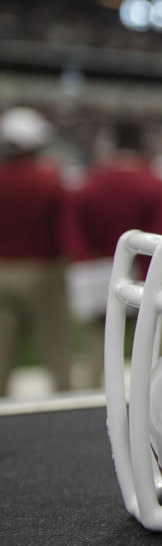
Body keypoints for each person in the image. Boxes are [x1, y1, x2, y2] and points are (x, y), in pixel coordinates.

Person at [64, 119, 162, 387]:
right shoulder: (156, 183)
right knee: (153, 343)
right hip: (146, 274)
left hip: (99, 271)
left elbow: (72, 229)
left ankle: (89, 398)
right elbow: (159, 237)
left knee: (99, 345)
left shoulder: (89, 181)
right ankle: (157, 395)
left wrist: (86, 262)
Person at [0, 106, 72, 397]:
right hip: (42, 271)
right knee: (55, 347)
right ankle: (65, 407)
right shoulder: (49, 181)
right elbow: (64, 232)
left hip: (2, 270)